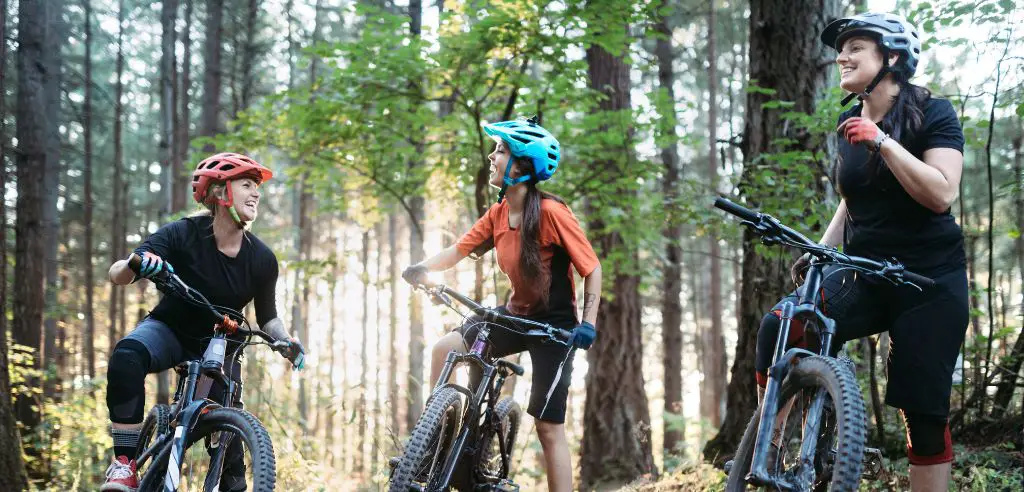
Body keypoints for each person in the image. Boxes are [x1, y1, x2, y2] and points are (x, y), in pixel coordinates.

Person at [752, 12, 967, 491]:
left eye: (855, 49)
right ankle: (766, 452)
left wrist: (884, 141)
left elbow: (941, 193)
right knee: (781, 326)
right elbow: (853, 200)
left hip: (929, 282)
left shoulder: (935, 112)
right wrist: (821, 251)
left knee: (924, 413)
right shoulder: (848, 120)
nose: (841, 57)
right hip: (863, 272)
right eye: (840, 49)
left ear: (891, 58)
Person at [402, 117, 602, 492]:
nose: (492, 156)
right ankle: (433, 443)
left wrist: (586, 324)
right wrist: (422, 268)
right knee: (445, 348)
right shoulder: (497, 214)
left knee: (548, 426)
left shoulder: (552, 213)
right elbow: (459, 250)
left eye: (500, 150)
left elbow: (592, 268)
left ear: (521, 166)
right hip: (514, 316)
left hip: (554, 328)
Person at [101, 152, 305, 492]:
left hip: (220, 347)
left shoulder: (263, 258)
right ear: (219, 192)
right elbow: (119, 274)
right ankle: (124, 465)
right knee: (126, 356)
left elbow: (268, 317)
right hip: (170, 330)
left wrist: (286, 341)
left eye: (257, 187)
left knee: (230, 435)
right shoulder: (182, 233)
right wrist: (137, 263)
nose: (256, 193)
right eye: (246, 185)